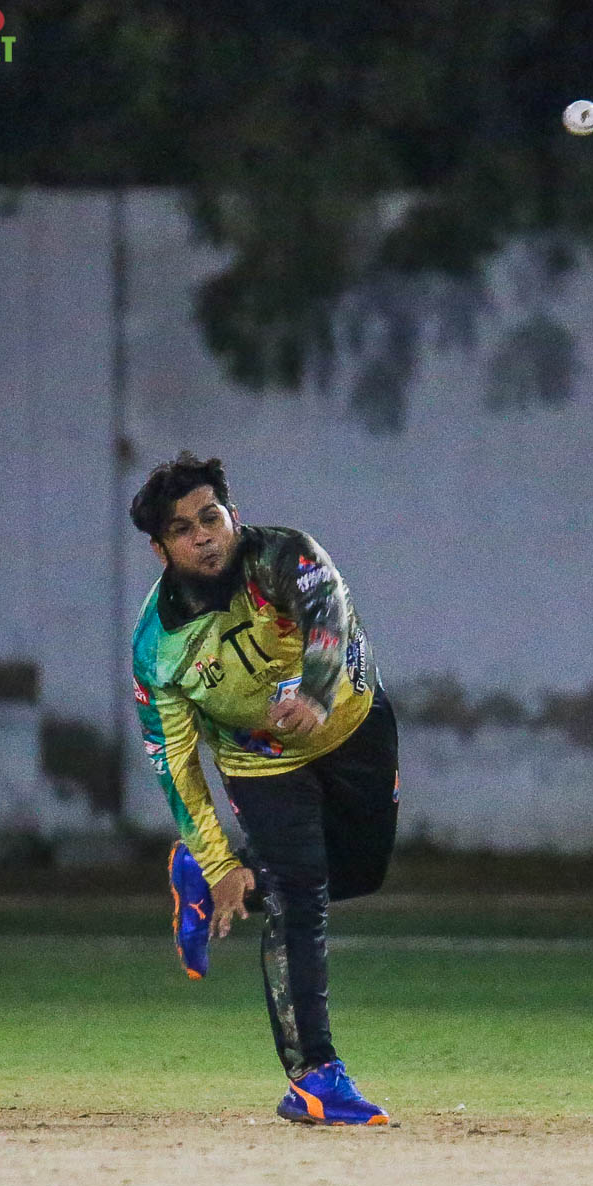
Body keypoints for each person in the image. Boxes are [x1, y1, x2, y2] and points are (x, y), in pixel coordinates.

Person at [129, 452, 399, 1126]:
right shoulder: (157, 648)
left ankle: (212, 877)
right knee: (300, 895)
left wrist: (315, 691)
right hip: (260, 765)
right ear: (159, 548)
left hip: (354, 725)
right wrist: (216, 853)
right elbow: (174, 763)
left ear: (233, 514)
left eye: (211, 517)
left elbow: (328, 610)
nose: (204, 536)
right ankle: (314, 1078)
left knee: (360, 872)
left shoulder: (282, 555)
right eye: (183, 529)